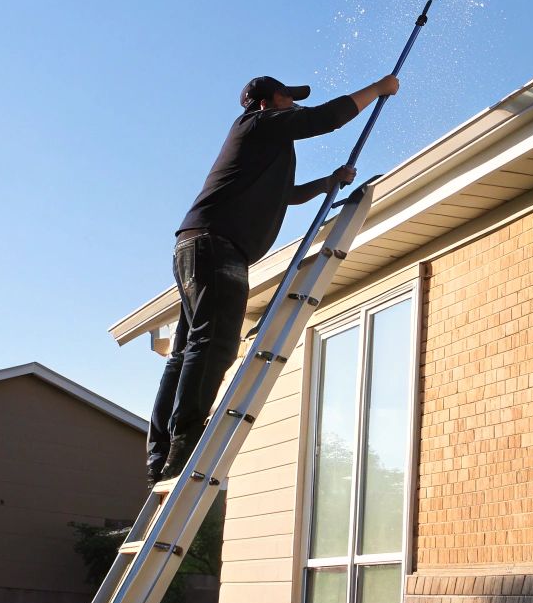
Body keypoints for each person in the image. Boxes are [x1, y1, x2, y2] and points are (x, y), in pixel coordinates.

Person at [148, 72, 401, 483]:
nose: (295, 105)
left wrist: (325, 184)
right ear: (264, 102)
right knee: (213, 344)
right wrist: (378, 89)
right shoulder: (257, 124)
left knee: (188, 351)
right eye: (288, 98)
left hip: (200, 245)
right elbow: (325, 119)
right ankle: (184, 439)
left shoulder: (262, 145)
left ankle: (161, 453)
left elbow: (283, 193)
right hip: (217, 246)